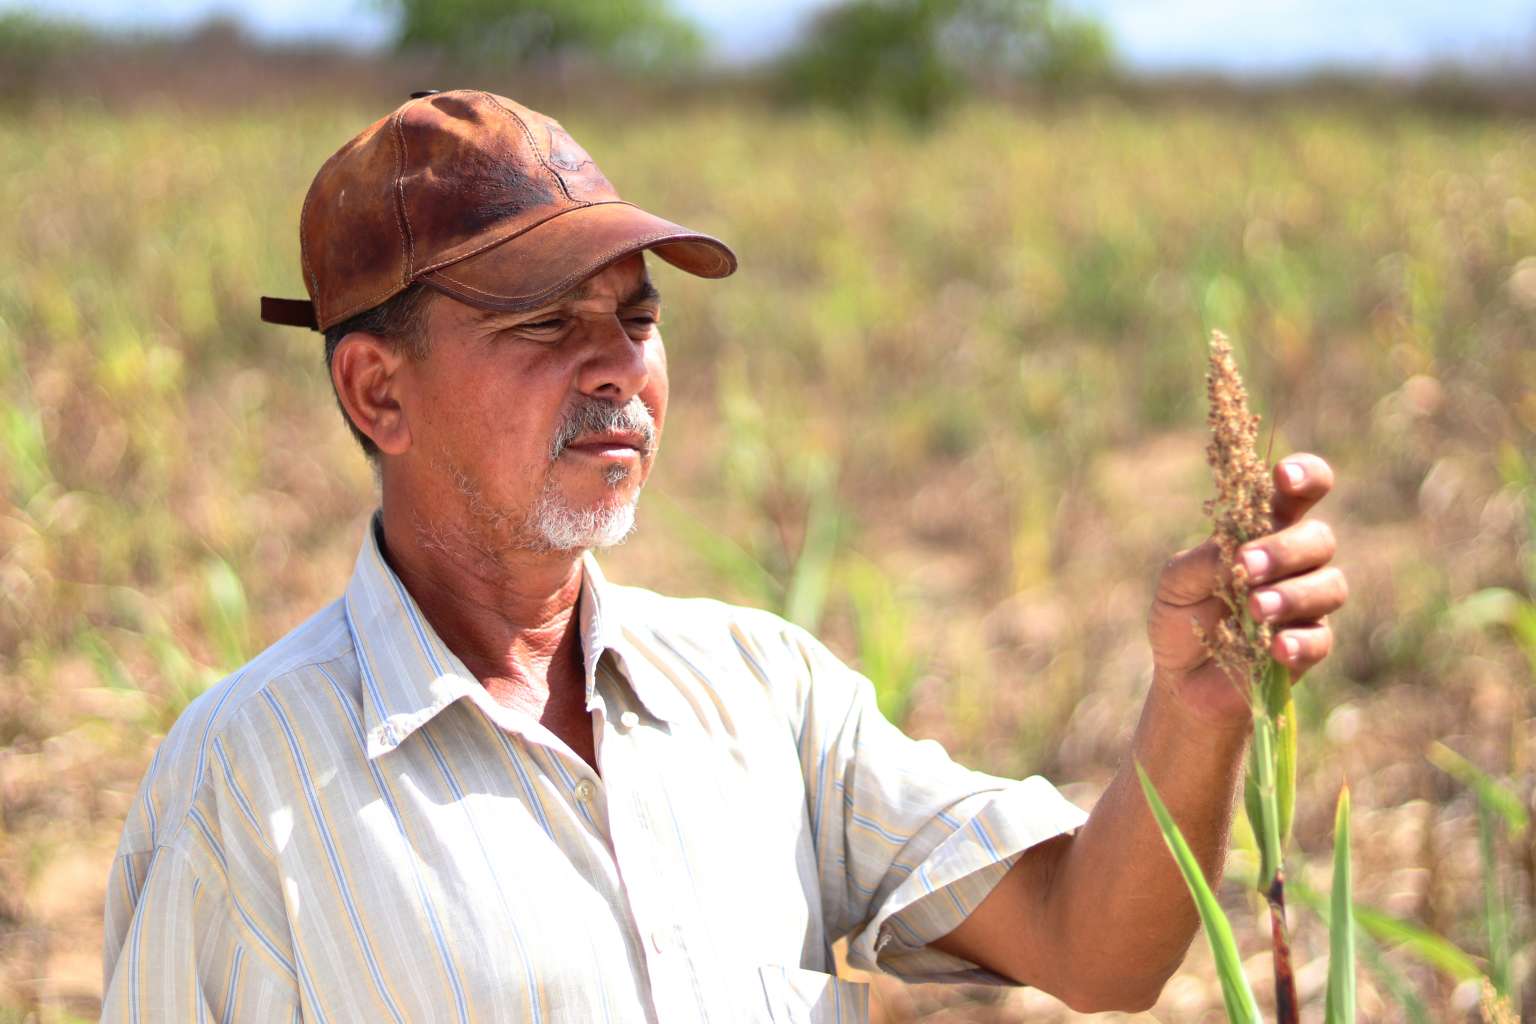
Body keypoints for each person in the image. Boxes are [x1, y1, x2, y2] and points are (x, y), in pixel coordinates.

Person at [101, 89, 1347, 1023]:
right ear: (378, 391)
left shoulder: (761, 691)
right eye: (544, 323)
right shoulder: (244, 786)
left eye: (637, 319)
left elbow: (1095, 945)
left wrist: (1198, 705)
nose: (616, 368)